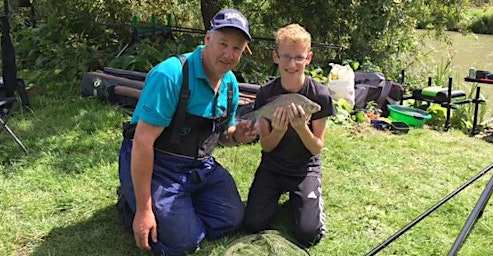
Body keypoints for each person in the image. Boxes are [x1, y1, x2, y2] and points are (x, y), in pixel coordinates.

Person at [117, 9, 258, 255]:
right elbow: (142, 143)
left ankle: (179, 211)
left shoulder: (230, 84)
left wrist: (237, 135)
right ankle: (134, 203)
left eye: (236, 48)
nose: (228, 54)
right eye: (223, 44)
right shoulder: (170, 75)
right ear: (207, 39)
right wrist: (144, 211)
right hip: (157, 163)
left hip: (200, 166)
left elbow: (223, 136)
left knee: (232, 220)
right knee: (183, 243)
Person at [243, 23, 336, 247]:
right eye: (285, 57)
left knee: (308, 235)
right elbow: (266, 147)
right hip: (273, 166)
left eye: (298, 57)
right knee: (252, 224)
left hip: (304, 169)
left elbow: (316, 148)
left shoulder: (319, 97)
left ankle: (302, 200)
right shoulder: (266, 94)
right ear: (275, 57)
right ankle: (285, 200)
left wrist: (302, 128)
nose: (292, 64)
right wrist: (279, 130)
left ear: (309, 58)